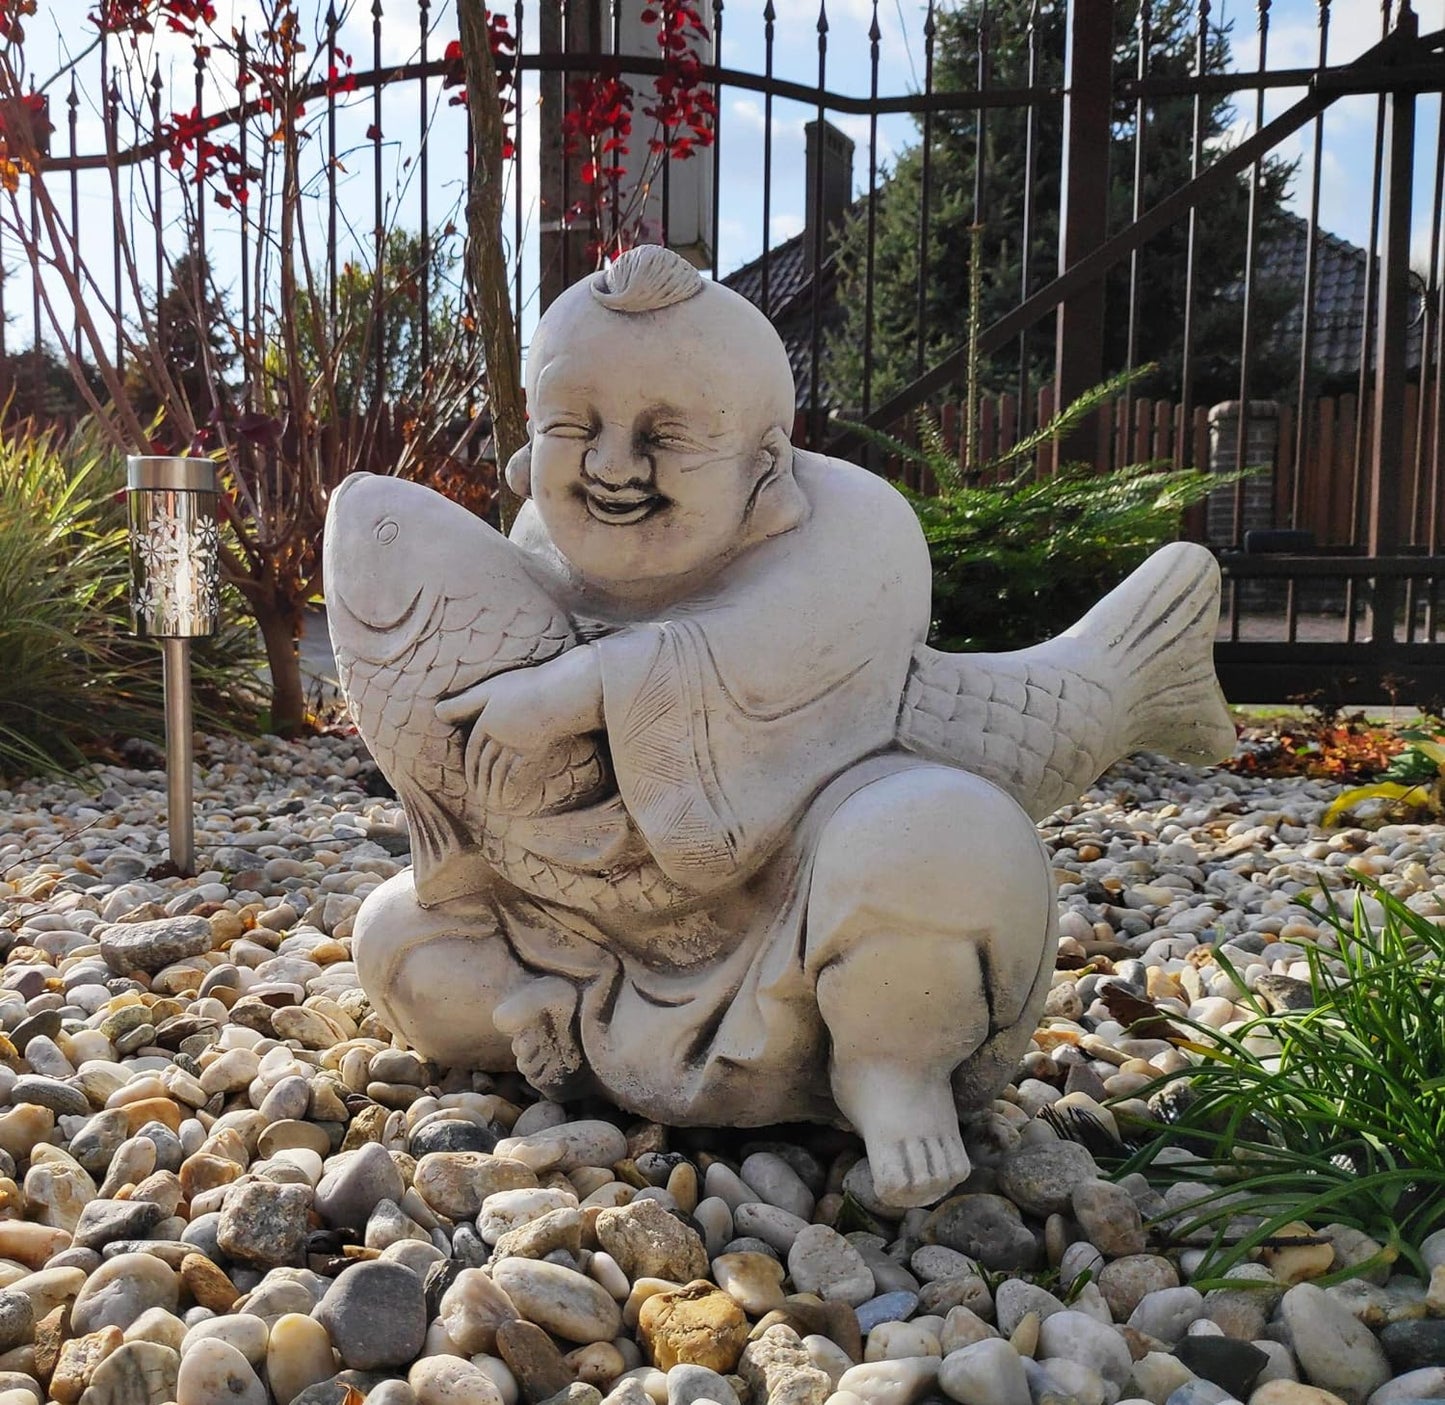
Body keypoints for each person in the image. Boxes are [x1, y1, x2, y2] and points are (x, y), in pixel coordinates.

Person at [352, 244, 1054, 1208]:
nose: (610, 466)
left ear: (766, 466)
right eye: (573, 425)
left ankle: (888, 1063)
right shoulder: (529, 549)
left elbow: (773, 648)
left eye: (665, 436)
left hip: (792, 900)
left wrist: (586, 688)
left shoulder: (850, 525)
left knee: (937, 836)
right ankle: (545, 1017)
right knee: (394, 937)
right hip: (587, 927)